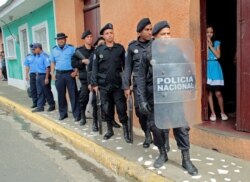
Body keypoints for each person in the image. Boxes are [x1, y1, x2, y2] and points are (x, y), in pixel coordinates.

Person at [137, 20, 198, 175]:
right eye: (163, 34)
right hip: (155, 98)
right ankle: (162, 153)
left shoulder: (176, 51)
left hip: (174, 95)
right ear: (155, 36)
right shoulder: (147, 54)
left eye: (169, 33)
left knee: (181, 127)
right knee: (156, 128)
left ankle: (186, 159)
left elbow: (187, 68)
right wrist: (142, 99)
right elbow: (141, 78)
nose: (166, 37)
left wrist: (191, 85)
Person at [91, 23, 131, 143]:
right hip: (103, 86)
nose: (109, 35)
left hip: (118, 85)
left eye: (111, 33)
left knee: (121, 108)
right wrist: (94, 84)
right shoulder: (99, 50)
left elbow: (126, 68)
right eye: (107, 33)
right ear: (103, 36)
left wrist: (127, 85)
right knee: (107, 109)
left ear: (113, 34)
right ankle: (109, 130)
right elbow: (94, 68)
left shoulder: (120, 49)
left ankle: (126, 131)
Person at [123, 18, 153, 148]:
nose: (150, 32)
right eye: (147, 30)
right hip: (138, 85)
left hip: (153, 84)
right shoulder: (132, 47)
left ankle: (158, 135)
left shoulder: (155, 44)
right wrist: (126, 86)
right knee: (140, 112)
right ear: (140, 32)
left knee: (155, 110)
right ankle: (147, 134)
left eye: (151, 29)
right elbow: (127, 67)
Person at [50, 33, 81, 121]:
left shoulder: (71, 49)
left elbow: (77, 60)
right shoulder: (54, 50)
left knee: (73, 94)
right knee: (61, 95)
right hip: (59, 75)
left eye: (62, 39)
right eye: (59, 39)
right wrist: (52, 73)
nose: (61, 40)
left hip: (69, 74)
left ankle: (77, 115)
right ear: (57, 40)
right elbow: (52, 62)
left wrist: (76, 71)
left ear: (65, 39)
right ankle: (63, 114)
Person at [71, 30, 95, 126]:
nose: (89, 38)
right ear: (84, 39)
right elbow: (73, 63)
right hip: (84, 79)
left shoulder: (95, 50)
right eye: (87, 37)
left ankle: (96, 119)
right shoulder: (79, 51)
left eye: (90, 36)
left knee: (96, 100)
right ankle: (83, 117)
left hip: (94, 78)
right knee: (83, 98)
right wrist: (82, 61)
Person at [206, 25, 228, 121]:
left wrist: (210, 45)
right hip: (207, 67)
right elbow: (205, 57)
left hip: (215, 67)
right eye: (207, 32)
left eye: (211, 32)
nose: (209, 34)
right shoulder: (203, 43)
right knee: (209, 92)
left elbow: (218, 56)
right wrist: (206, 46)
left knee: (218, 93)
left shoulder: (216, 42)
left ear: (213, 33)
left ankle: (222, 112)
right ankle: (212, 113)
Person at [32, 43, 55, 113]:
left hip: (44, 75)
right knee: (39, 92)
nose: (34, 51)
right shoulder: (37, 56)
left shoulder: (45, 56)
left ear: (39, 48)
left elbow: (48, 67)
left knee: (47, 91)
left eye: (34, 49)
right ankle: (40, 107)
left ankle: (52, 104)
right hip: (39, 75)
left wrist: (47, 78)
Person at [24, 44, 38, 108]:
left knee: (40, 89)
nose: (33, 50)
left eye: (34, 49)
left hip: (40, 74)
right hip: (32, 74)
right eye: (32, 49)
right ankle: (35, 103)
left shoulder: (40, 55)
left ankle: (42, 101)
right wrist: (26, 75)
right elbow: (27, 66)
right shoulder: (28, 57)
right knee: (33, 89)